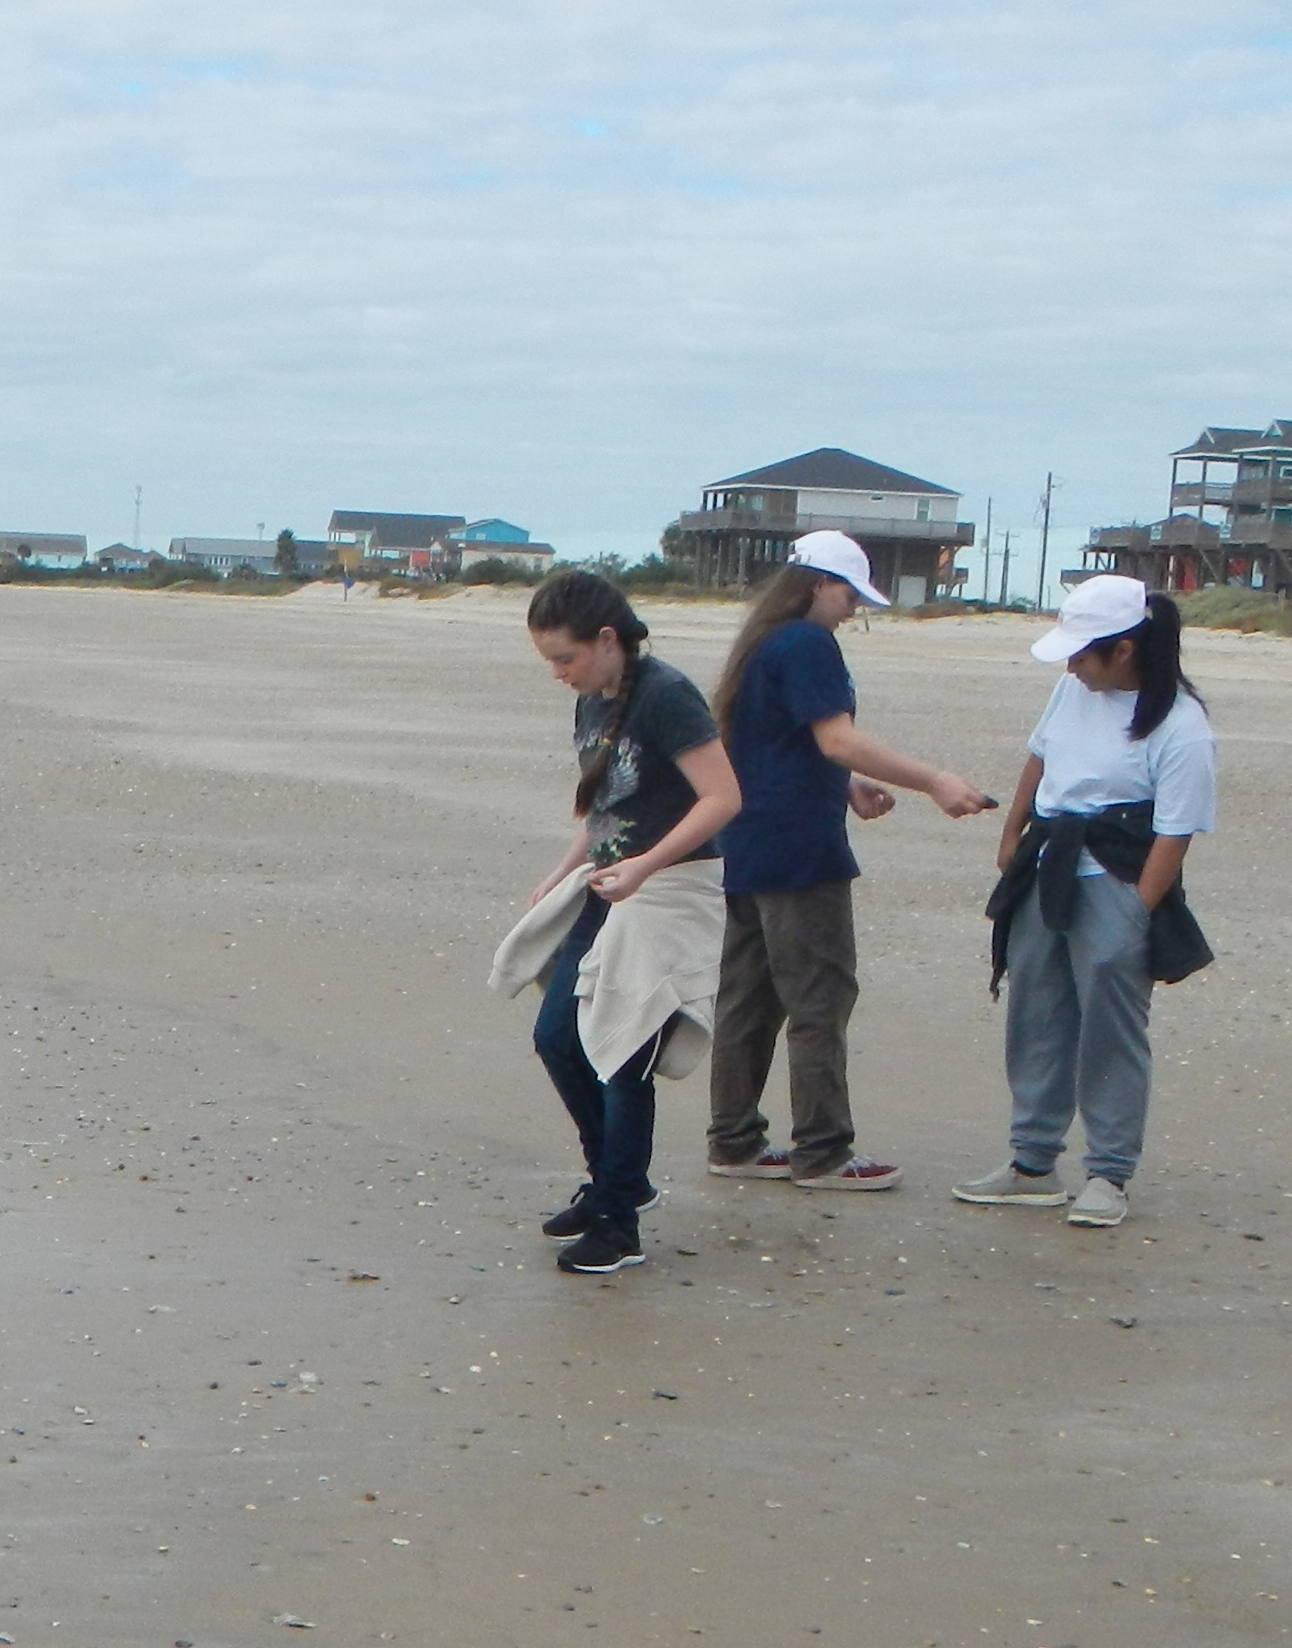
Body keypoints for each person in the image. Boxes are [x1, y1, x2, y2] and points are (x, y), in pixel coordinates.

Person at [699, 531, 995, 1193]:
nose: (852, 610)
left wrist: (845, 787)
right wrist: (936, 780)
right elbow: (836, 738)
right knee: (818, 999)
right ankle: (823, 1150)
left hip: (747, 841)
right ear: (819, 586)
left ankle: (734, 1138)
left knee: (748, 998)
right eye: (849, 595)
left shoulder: (761, 644)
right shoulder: (806, 643)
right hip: (799, 850)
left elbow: (771, 744)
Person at [960, 575, 1215, 1231]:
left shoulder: (1181, 725)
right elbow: (1039, 760)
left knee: (1111, 1024)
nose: (1072, 665)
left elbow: (1175, 829)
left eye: (1082, 652)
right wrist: (1012, 836)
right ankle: (1032, 1161)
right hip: (1048, 863)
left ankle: (1109, 1171)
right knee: (1036, 1008)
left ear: (1124, 651)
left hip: (1115, 874)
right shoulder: (1071, 689)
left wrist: (1138, 909)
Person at [510, 568, 739, 1278]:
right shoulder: (591, 700)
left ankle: (619, 1224)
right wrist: (561, 871)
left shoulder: (666, 697)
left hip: (672, 890)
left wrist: (646, 866)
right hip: (608, 888)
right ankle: (613, 1180)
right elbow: (604, 809)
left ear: (608, 639)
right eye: (549, 660)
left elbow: (722, 798)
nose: (558, 673)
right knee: (558, 1037)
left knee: (623, 1052)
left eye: (565, 658)